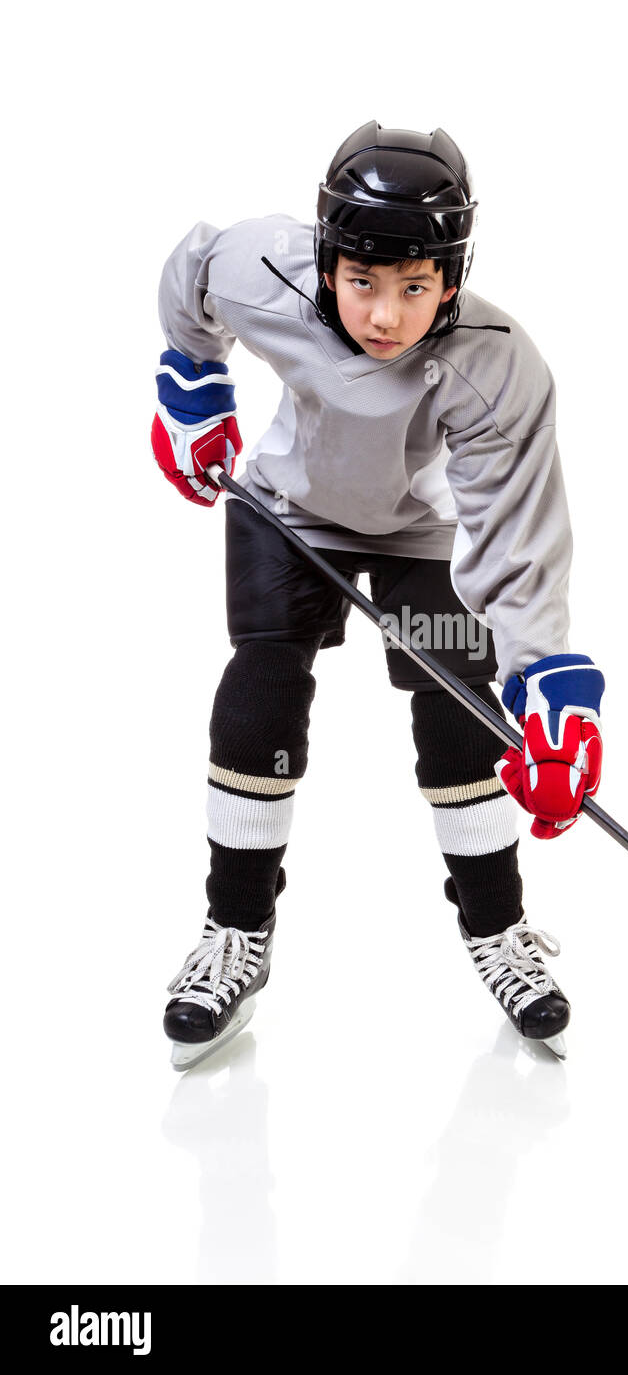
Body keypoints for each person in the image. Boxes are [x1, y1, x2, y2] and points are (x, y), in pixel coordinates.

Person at [154, 120, 604, 1069]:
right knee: (261, 687)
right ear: (325, 259)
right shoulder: (262, 270)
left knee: (456, 706)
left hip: (421, 528)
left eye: (415, 287)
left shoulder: (495, 366)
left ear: (452, 274)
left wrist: (546, 680)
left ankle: (498, 929)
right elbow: (193, 272)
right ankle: (234, 932)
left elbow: (519, 535)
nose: (386, 315)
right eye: (362, 282)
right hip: (289, 509)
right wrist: (191, 376)